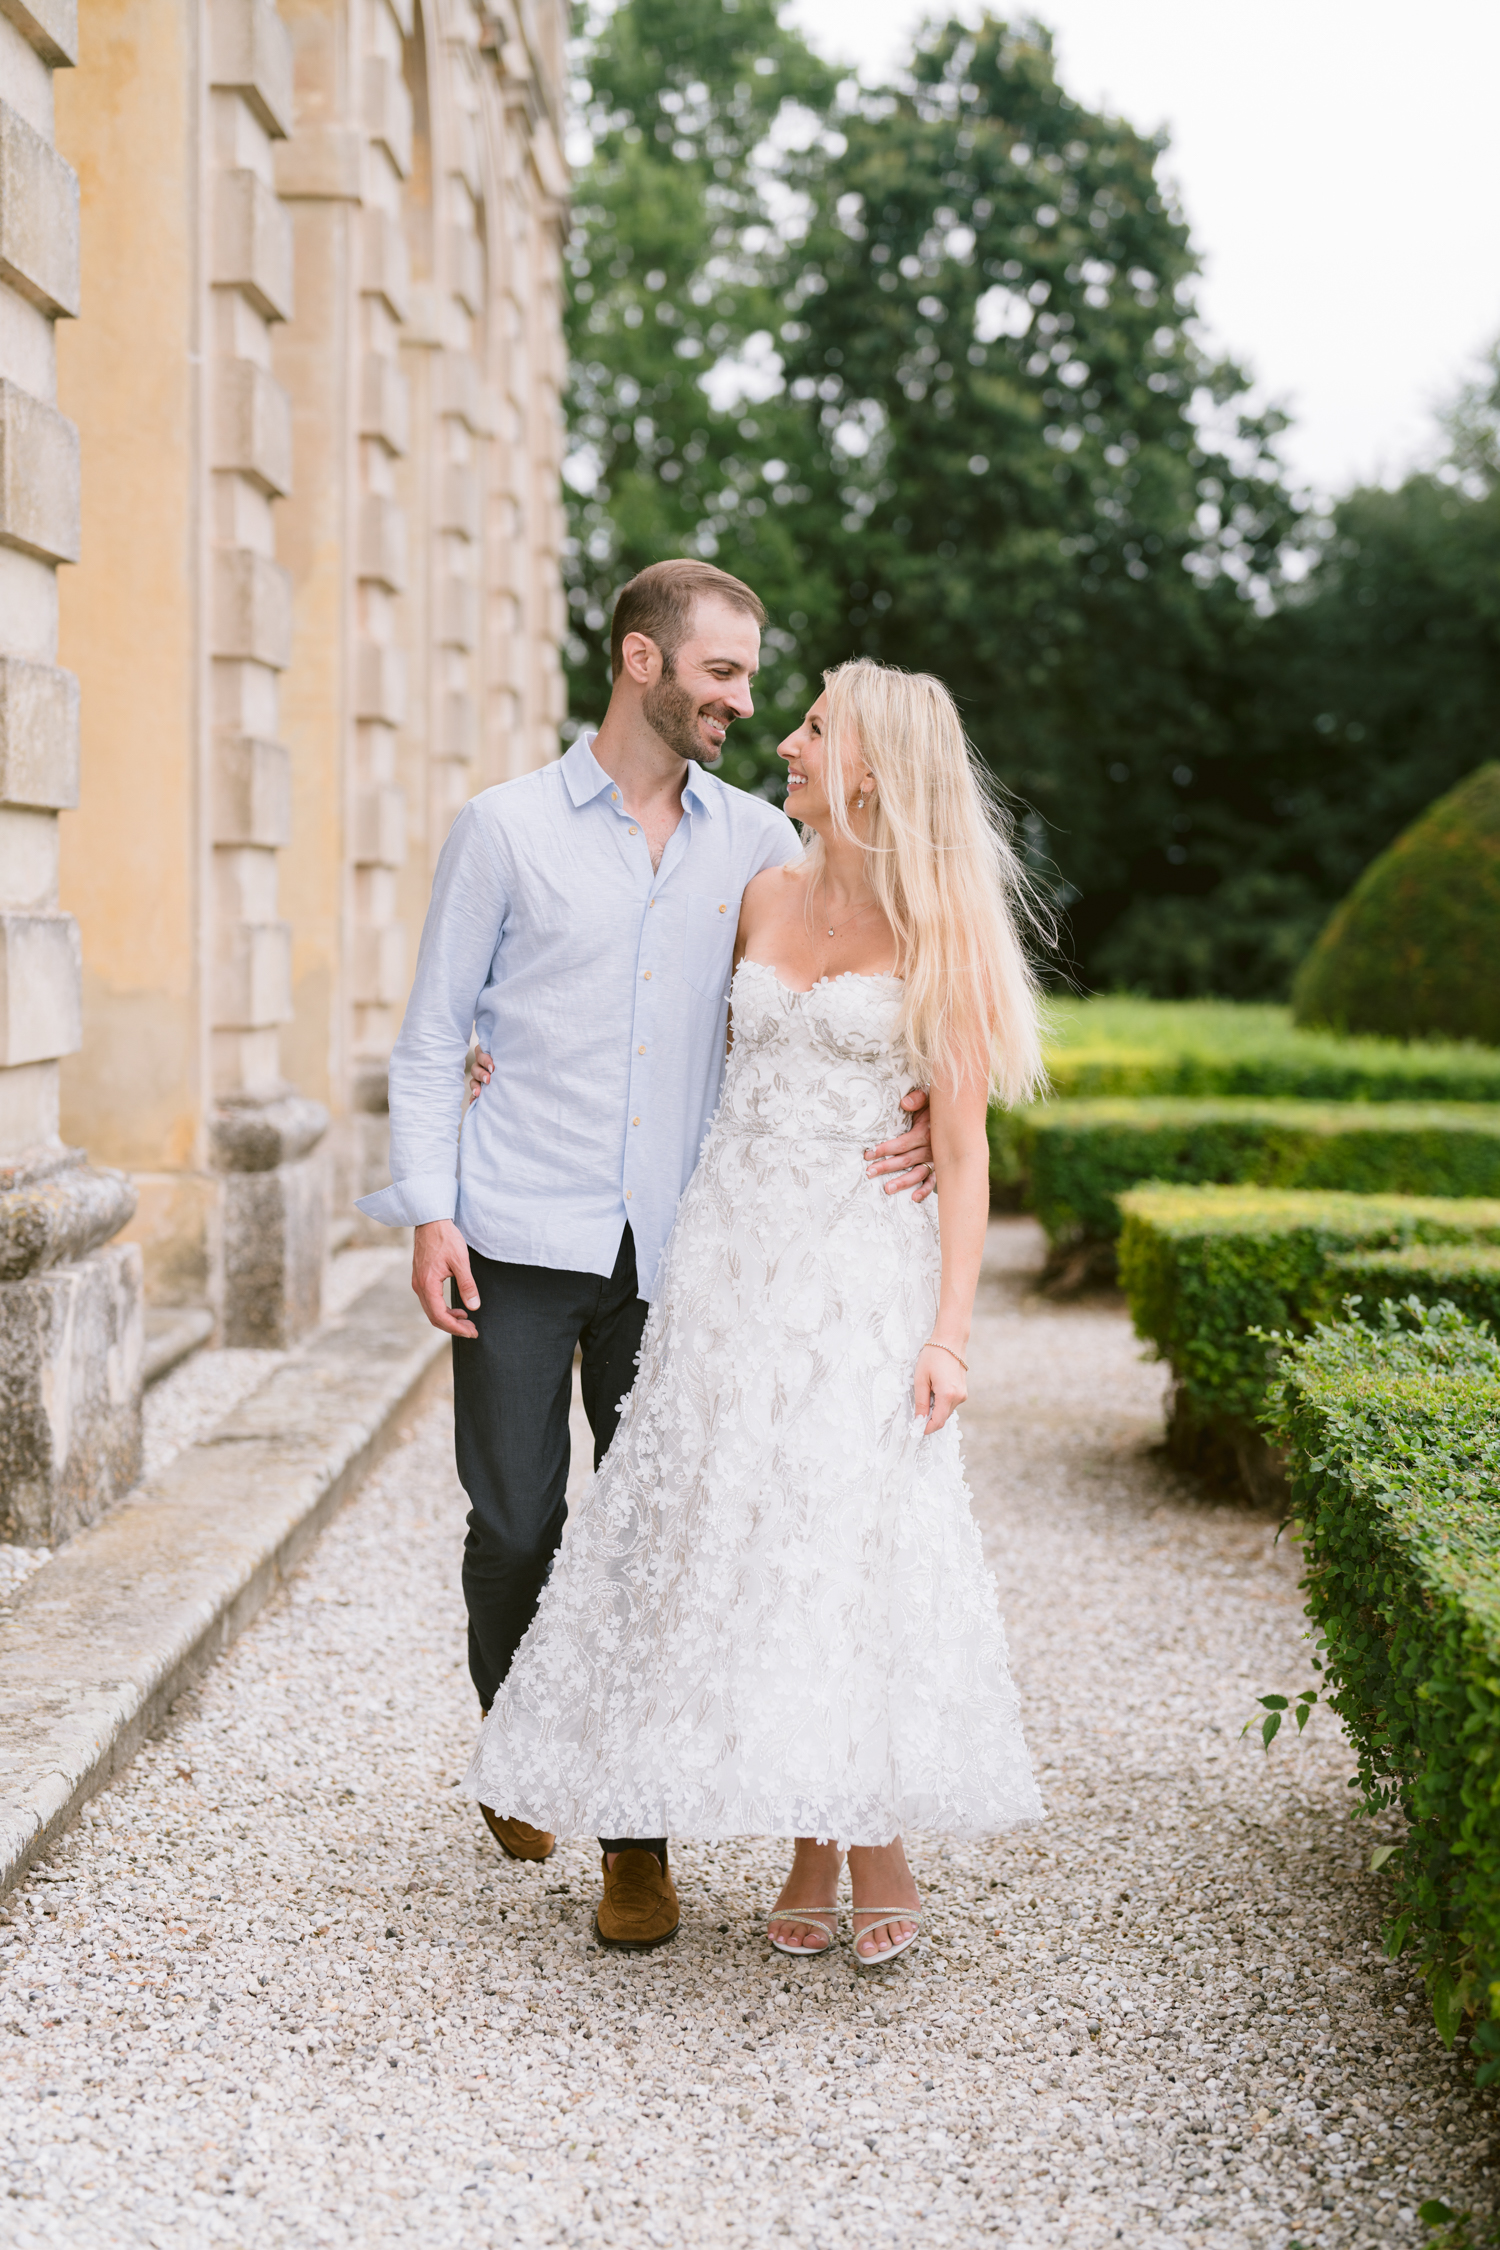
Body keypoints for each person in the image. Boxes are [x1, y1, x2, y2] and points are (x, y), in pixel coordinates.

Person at [356, 562, 935, 1952]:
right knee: (512, 1527)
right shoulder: (501, 832)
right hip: (513, 1229)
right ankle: (516, 1736)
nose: (746, 700)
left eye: (750, 677)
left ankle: (636, 1844)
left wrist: (908, 1090)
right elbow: (437, 1037)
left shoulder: (754, 844)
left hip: (682, 1252)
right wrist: (430, 1208)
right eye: (725, 673)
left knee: (650, 1543)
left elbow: (864, 956)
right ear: (641, 662)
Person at [465, 657, 1045, 1968]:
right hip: (728, 1269)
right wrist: (494, 1044)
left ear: (875, 769)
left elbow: (963, 1156)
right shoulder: (758, 889)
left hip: (860, 1273)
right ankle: (804, 1832)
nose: (785, 741)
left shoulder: (936, 930)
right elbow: (639, 1014)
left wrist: (950, 1329)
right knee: (744, 1535)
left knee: (850, 1534)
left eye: (815, 726)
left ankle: (870, 1834)